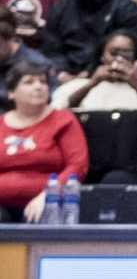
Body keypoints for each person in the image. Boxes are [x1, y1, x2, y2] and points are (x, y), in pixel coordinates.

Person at [52, 30, 137, 188]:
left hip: (134, 169)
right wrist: (91, 84)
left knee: (115, 180)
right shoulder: (73, 88)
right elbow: (56, 120)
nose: (119, 60)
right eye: (113, 53)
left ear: (136, 60)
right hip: (83, 165)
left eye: (126, 54)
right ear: (101, 56)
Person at [0, 64, 81, 219]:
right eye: (29, 82)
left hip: (49, 202)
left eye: (43, 82)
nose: (39, 87)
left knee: (43, 216)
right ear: (11, 93)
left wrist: (49, 196)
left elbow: (77, 165)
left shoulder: (63, 120)